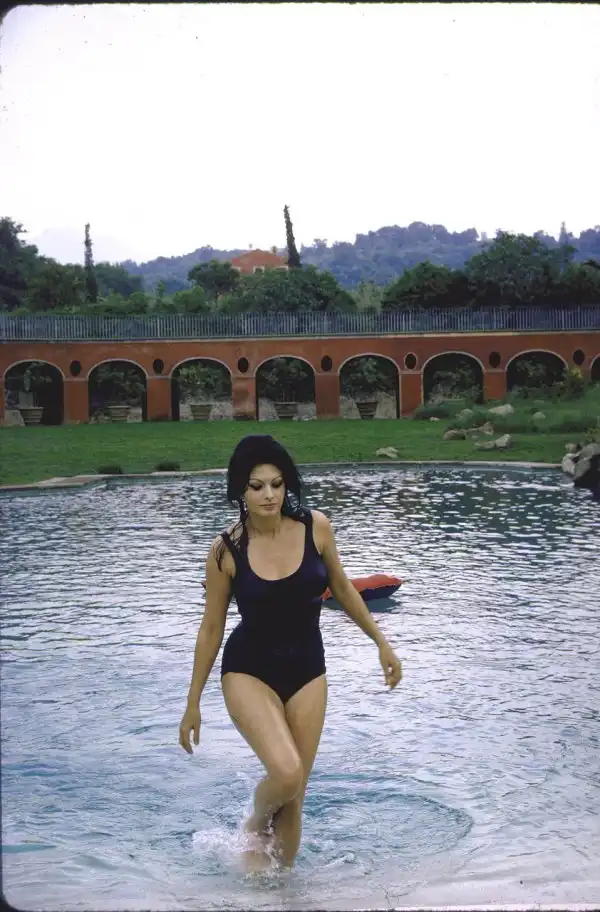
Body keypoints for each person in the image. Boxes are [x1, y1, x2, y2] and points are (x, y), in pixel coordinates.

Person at [179, 434, 402, 871]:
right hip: (248, 670)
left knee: (296, 795)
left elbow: (343, 588)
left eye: (277, 484)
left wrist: (381, 642)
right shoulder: (226, 550)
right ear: (240, 491)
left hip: (307, 670)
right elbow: (211, 628)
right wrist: (193, 702)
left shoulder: (316, 527)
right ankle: (254, 821)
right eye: (257, 486)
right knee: (286, 772)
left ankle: (281, 888)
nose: (269, 495)